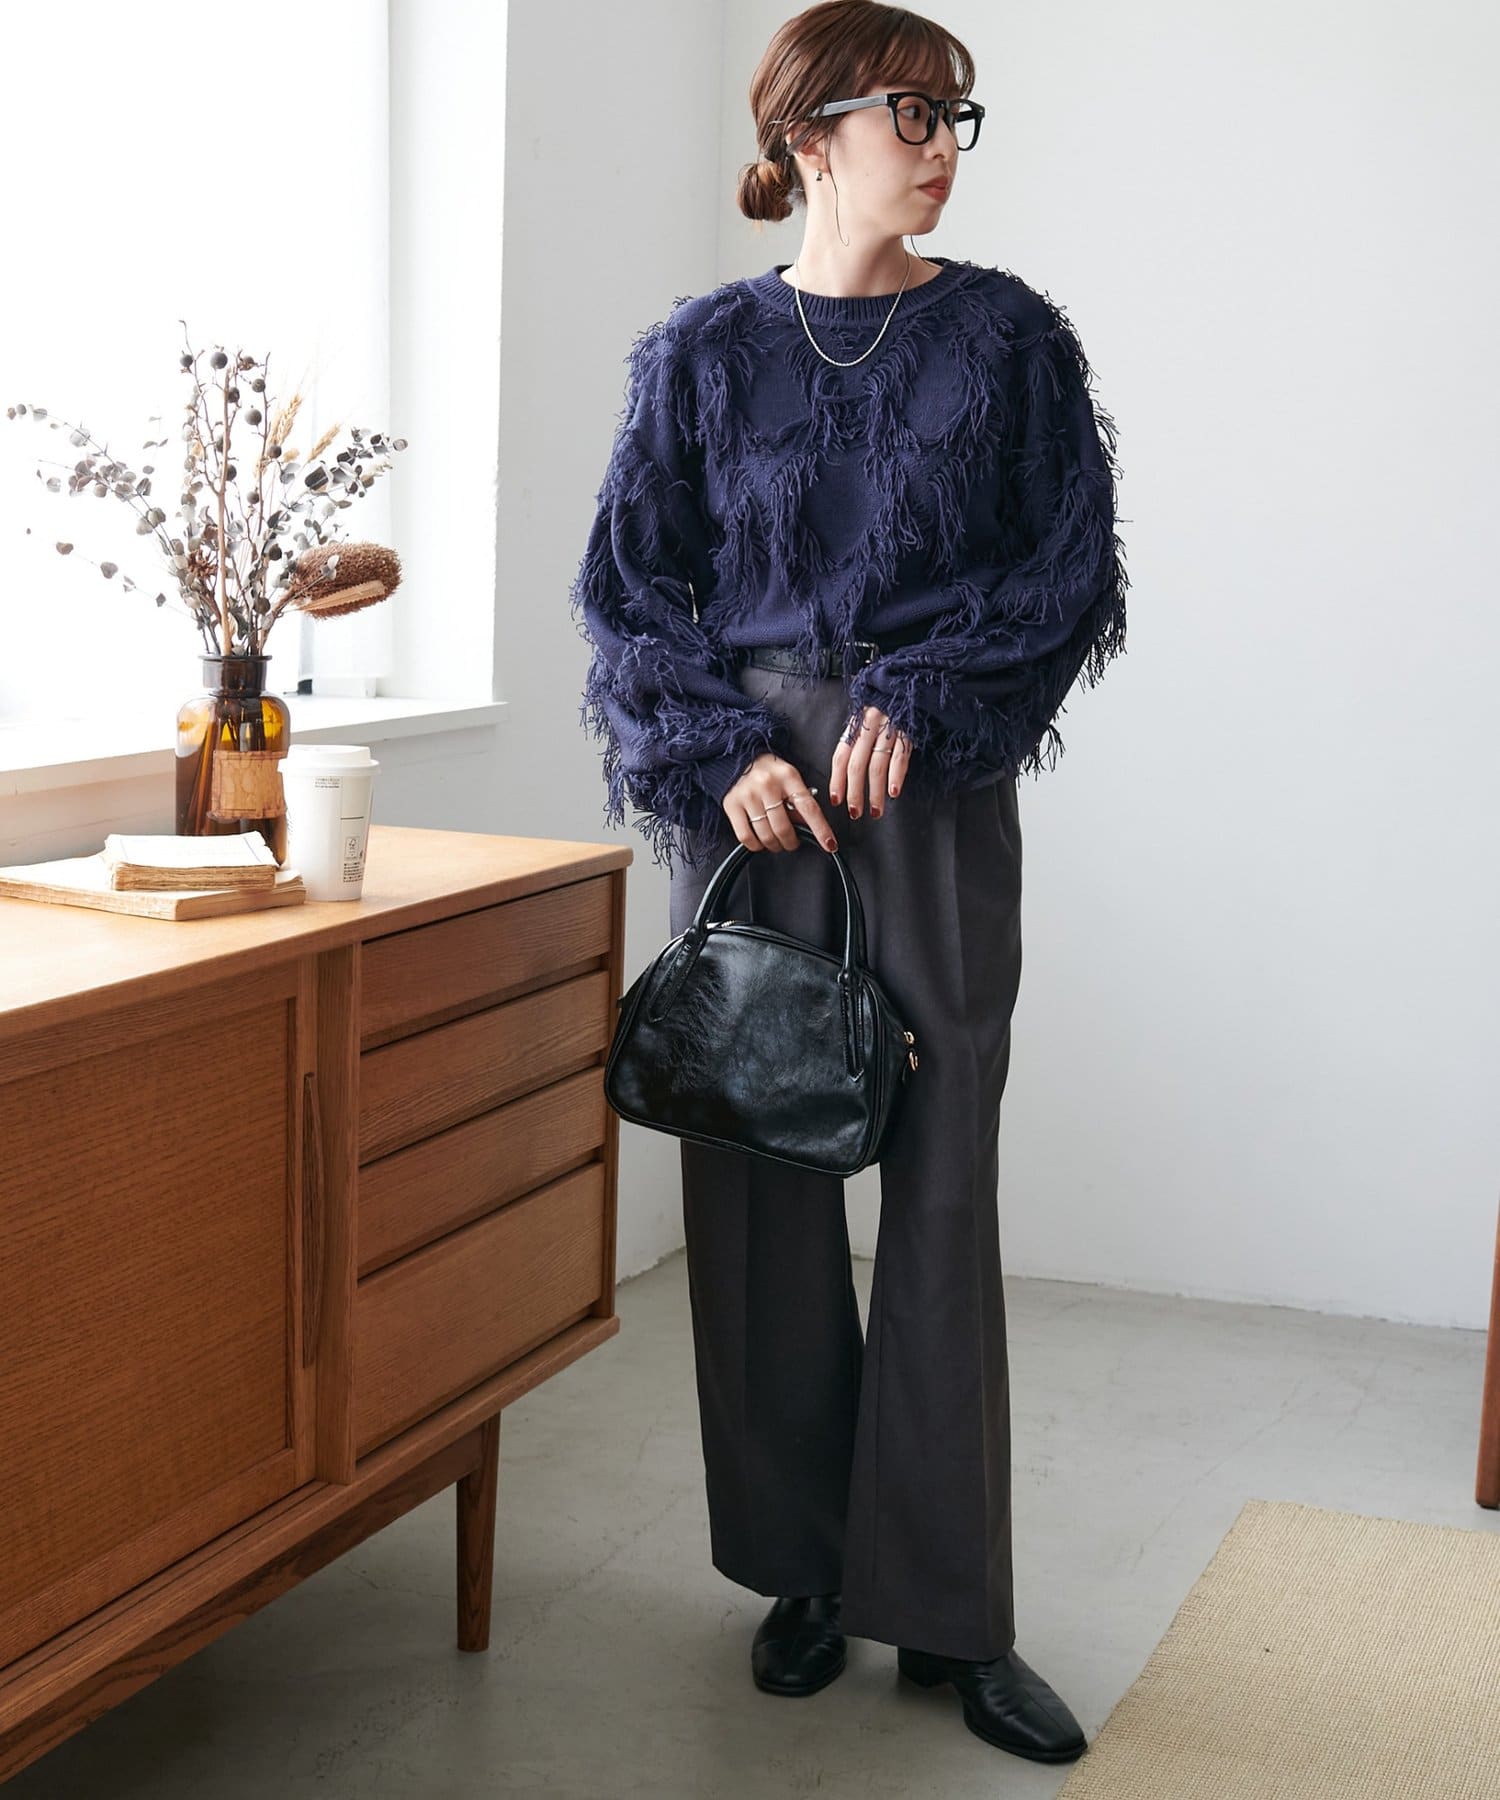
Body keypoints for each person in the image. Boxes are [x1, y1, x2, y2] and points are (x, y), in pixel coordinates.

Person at [568, 0, 1126, 1768]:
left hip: (925, 786)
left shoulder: (1009, 338)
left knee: (943, 1177)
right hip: (752, 799)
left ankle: (954, 1615)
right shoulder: (701, 354)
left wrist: (929, 695)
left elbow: (1066, 574)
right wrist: (708, 747)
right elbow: (629, 592)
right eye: (911, 112)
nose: (944, 144)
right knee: (757, 1179)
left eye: (959, 114)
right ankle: (801, 1573)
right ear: (811, 135)